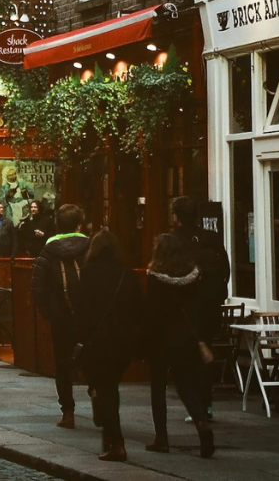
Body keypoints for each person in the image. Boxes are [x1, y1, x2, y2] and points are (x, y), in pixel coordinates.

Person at [73, 229, 144, 462]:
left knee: (105, 390)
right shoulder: (128, 275)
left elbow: (82, 310)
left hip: (97, 341)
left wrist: (80, 339)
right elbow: (138, 310)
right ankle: (108, 433)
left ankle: (116, 442)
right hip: (122, 342)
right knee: (109, 386)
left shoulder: (88, 273)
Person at [144, 233, 215, 458]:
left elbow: (151, 312)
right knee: (185, 386)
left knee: (158, 389)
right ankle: (203, 427)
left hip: (160, 338)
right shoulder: (194, 276)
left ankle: (161, 437)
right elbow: (199, 308)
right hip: (185, 338)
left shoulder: (155, 277)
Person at [169, 195, 231, 421]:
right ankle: (206, 404)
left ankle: (197, 404)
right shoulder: (211, 238)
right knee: (205, 350)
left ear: (176, 216)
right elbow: (225, 268)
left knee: (188, 356)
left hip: (184, 307)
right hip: (210, 305)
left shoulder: (173, 241)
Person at [31, 204, 91, 429]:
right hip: (87, 316)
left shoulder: (48, 251)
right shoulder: (89, 247)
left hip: (60, 318)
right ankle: (97, 397)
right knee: (92, 357)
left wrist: (50, 312)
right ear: (79, 225)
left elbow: (37, 287)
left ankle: (68, 411)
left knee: (63, 363)